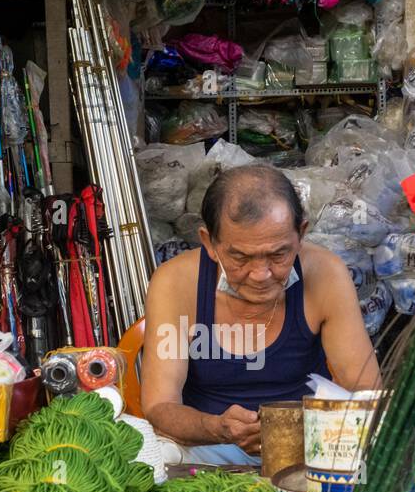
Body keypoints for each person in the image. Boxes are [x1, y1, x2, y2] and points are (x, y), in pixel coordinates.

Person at [141, 163, 380, 465]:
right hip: (205, 449)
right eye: (240, 256)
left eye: (278, 254)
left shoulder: (326, 274)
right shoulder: (177, 283)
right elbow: (160, 405)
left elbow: (366, 392)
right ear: (209, 243)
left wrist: (294, 427)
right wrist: (216, 427)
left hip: (309, 444)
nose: (261, 274)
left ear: (301, 234)